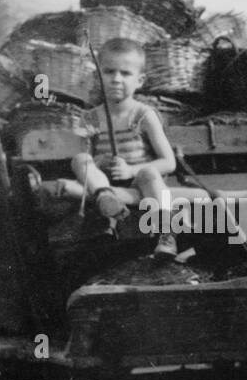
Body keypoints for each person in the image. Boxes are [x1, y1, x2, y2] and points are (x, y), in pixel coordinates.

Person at [70, 37, 179, 261]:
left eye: (125, 73)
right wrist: (99, 164)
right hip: (105, 182)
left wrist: (131, 170)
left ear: (140, 80)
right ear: (97, 76)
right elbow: (88, 159)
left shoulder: (143, 115)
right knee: (80, 159)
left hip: (139, 181)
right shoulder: (90, 117)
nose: (116, 79)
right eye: (109, 72)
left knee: (149, 173)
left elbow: (169, 162)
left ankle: (166, 234)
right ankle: (106, 199)